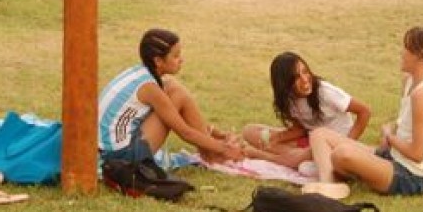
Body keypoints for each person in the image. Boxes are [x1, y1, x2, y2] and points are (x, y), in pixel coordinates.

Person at [305, 26, 423, 200]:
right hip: (392, 157)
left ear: (420, 55)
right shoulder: (409, 81)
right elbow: (407, 124)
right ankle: (329, 182)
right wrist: (392, 129)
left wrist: (389, 137)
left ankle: (330, 174)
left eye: (406, 48)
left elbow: (417, 154)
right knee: (319, 135)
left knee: (342, 153)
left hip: (411, 175)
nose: (402, 52)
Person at [99, 28, 245, 166]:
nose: (181, 60)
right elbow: (184, 132)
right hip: (121, 158)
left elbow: (174, 115)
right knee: (179, 94)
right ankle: (212, 154)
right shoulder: (149, 88)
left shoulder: (141, 73)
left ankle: (210, 150)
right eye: (175, 56)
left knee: (172, 87)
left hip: (108, 150)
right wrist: (224, 148)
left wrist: (216, 134)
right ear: (158, 61)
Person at [240, 52, 371, 169]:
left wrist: (348, 144)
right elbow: (300, 129)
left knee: (303, 166)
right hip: (309, 139)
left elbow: (364, 111)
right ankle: (288, 154)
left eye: (305, 71)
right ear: (284, 83)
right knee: (249, 131)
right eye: (296, 77)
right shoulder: (289, 100)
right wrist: (277, 139)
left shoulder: (325, 92)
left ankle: (262, 155)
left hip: (332, 144)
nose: (304, 79)